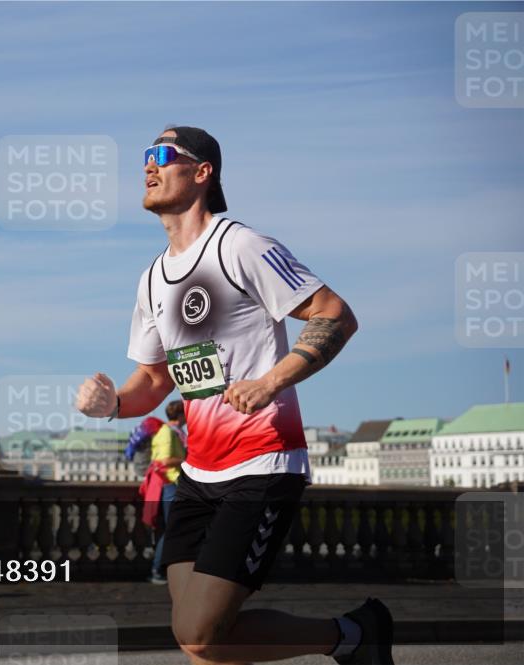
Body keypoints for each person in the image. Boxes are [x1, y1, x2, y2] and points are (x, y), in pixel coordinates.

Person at [76, 127, 393, 665]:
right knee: (200, 638)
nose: (148, 167)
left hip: (263, 463)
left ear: (203, 173)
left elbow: (334, 314)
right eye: (144, 159)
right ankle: (354, 636)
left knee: (201, 633)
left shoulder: (239, 246)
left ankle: (353, 635)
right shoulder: (153, 278)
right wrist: (110, 404)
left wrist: (273, 381)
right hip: (198, 474)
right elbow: (153, 381)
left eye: (162, 156)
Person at [148, 400, 186, 584]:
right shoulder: (167, 432)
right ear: (181, 414)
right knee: (172, 528)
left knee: (174, 528)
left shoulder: (174, 431)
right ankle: (157, 570)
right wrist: (187, 457)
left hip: (174, 484)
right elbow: (164, 461)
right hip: (170, 484)